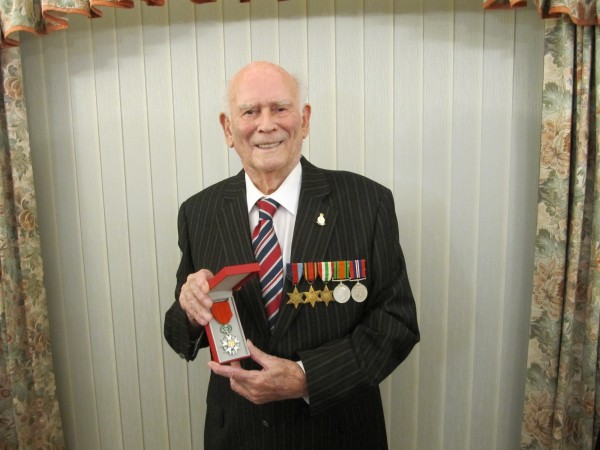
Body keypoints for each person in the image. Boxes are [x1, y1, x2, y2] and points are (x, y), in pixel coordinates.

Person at [163, 61, 419, 450]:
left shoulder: (367, 203)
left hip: (340, 433)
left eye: (280, 108)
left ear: (305, 119)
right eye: (250, 111)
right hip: (237, 435)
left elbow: (397, 322)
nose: (266, 125)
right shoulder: (199, 212)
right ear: (228, 129)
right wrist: (188, 306)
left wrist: (307, 377)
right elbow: (181, 335)